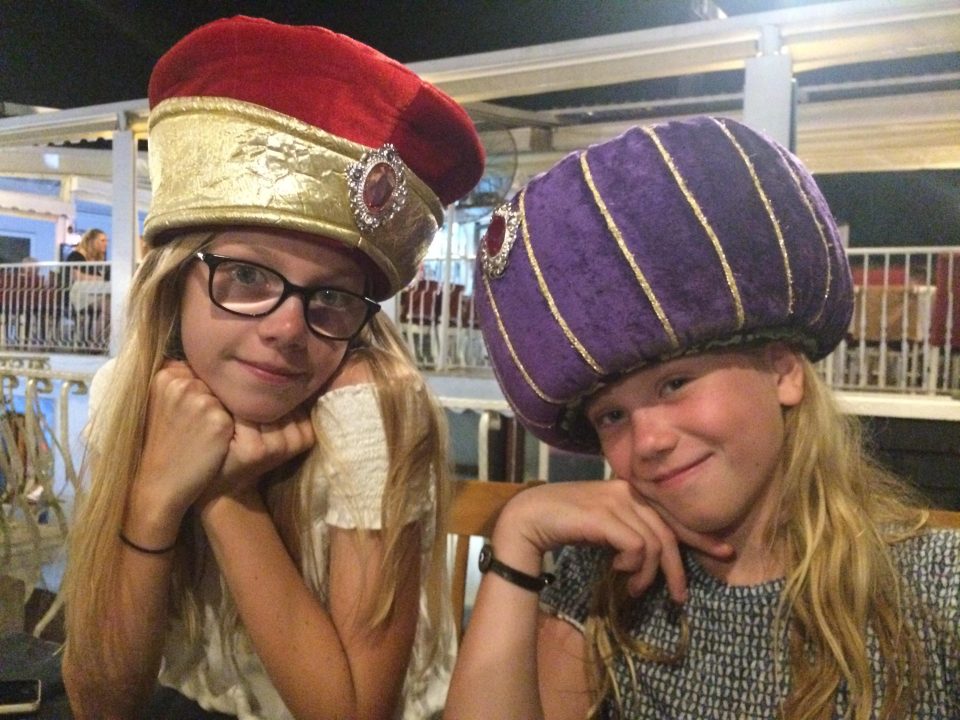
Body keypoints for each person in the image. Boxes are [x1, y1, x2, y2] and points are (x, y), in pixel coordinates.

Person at [444, 116, 959, 719]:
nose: (649, 440)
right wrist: (521, 528)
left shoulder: (935, 591)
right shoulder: (608, 580)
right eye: (611, 414)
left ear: (783, 371)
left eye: (675, 382)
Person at [60, 16, 484, 720]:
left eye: (330, 296)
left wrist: (227, 494)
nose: (289, 328)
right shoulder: (127, 393)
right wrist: (158, 493)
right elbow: (101, 701)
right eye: (249, 276)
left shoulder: (365, 410)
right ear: (175, 280)